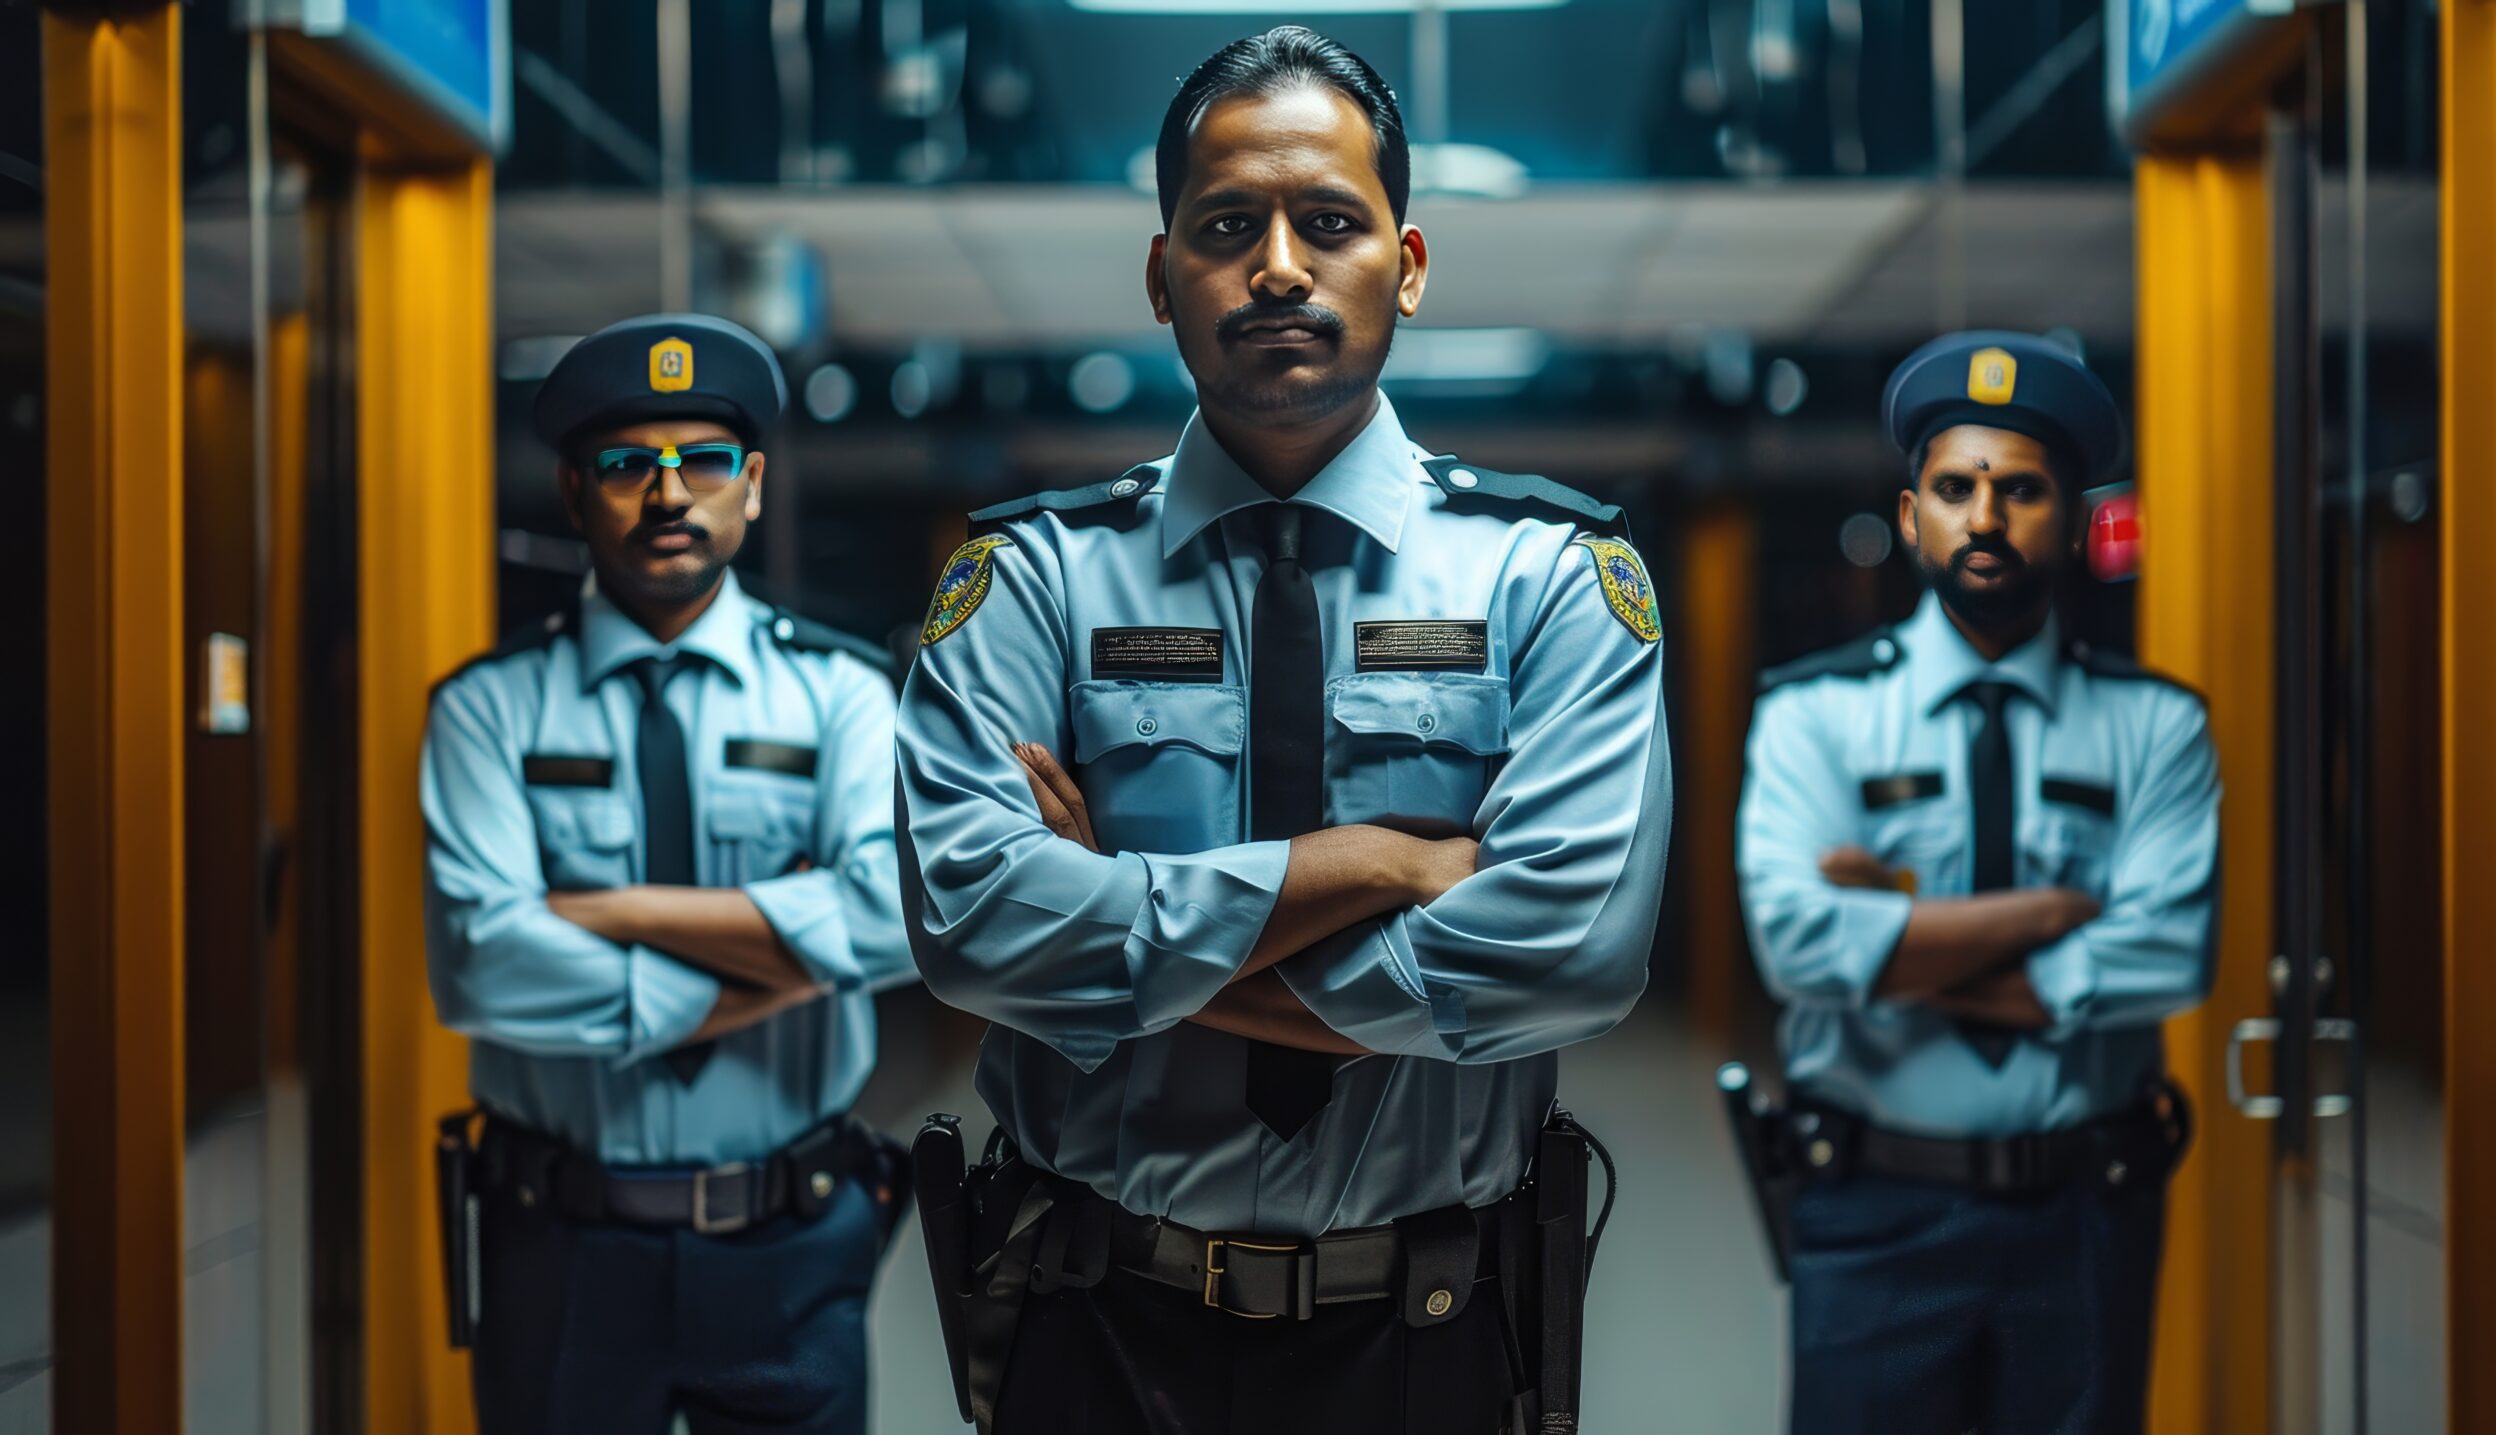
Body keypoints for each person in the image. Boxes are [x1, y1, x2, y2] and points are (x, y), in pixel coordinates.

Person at [892, 27, 1672, 1434]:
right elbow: (975, 927)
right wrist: (1378, 861)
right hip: (1094, 1316)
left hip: (1429, 1328)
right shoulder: (1035, 578)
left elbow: (1572, 956)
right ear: (1159, 274)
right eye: (1226, 225)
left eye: (1329, 222)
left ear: (1409, 265)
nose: (1278, 267)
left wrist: (1120, 932)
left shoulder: (1548, 573)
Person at [421, 313, 916, 1434]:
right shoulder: (487, 708)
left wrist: (608, 912)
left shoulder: (837, 696)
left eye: (699, 461)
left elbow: (893, 916)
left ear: (748, 484)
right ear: (572, 489)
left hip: (789, 1239)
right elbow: (480, 963)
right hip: (561, 1249)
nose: (667, 495)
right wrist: (779, 966)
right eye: (625, 466)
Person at [1736, 330, 2220, 1434]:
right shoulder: (1815, 715)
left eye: (2021, 490)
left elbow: (2164, 957)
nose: (1986, 519)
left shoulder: (2157, 727)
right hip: (1872, 1213)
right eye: (1954, 488)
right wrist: (2058, 915)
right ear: (1912, 518)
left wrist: (1895, 936)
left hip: (2085, 1215)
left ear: (2077, 515)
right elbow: (1799, 946)